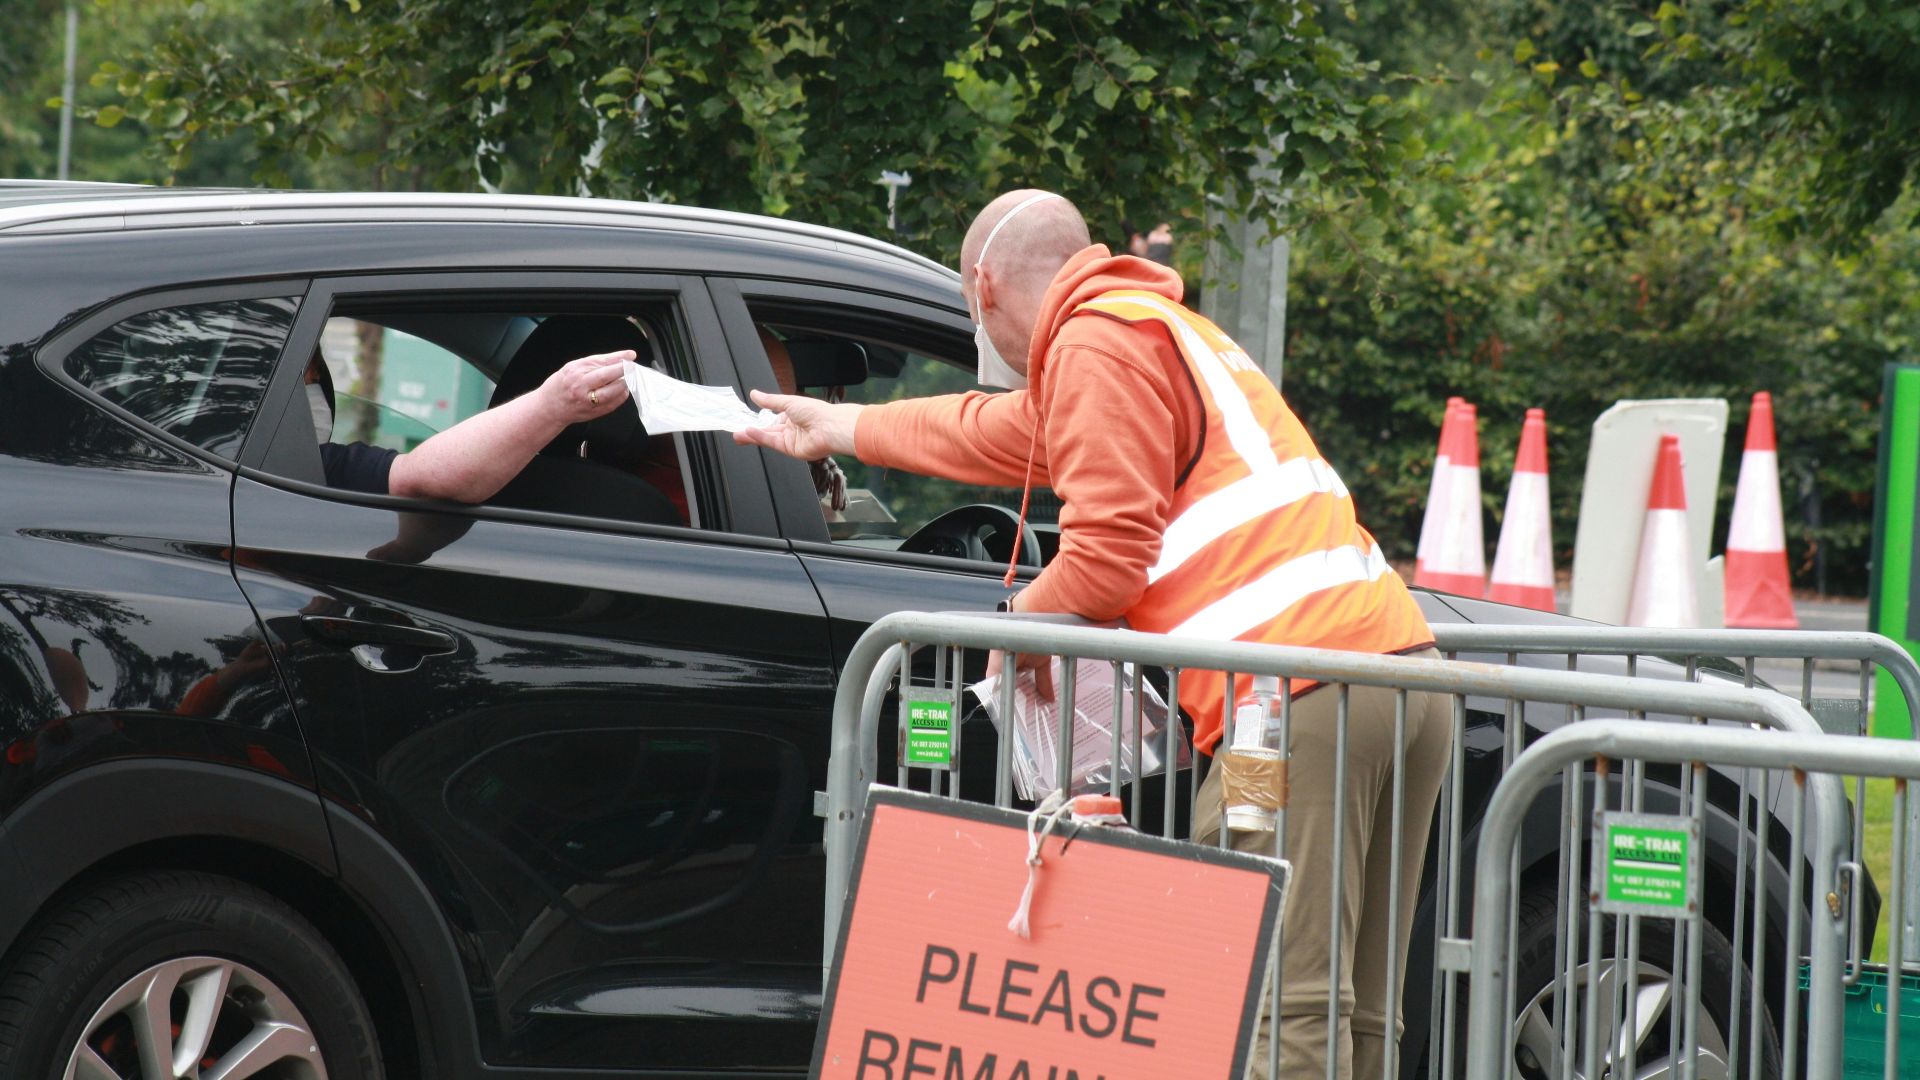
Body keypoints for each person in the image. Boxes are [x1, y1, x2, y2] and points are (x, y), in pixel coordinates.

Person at [736, 189, 1447, 1080]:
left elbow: (1106, 562)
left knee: (1275, 1006)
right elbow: (992, 429)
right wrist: (836, 426)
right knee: (1356, 1011)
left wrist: (1013, 634)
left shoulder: (1094, 347)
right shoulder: (1154, 328)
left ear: (983, 286)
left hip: (1290, 703)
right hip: (1397, 677)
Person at [305, 348, 633, 502]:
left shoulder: (299, 469)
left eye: (319, 370)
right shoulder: (307, 470)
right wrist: (553, 406)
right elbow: (420, 478)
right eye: (308, 372)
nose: (317, 381)